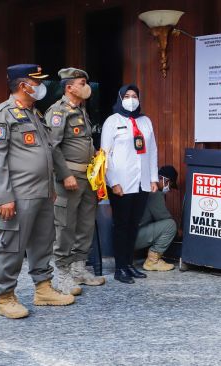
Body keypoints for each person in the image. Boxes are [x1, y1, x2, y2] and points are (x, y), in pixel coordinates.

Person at [0, 64, 75, 319]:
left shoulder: (34, 113)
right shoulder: (2, 115)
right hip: (17, 195)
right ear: (24, 85)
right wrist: (4, 197)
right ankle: (5, 297)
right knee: (11, 246)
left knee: (42, 241)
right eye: (36, 82)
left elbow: (46, 151)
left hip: (42, 193)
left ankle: (43, 288)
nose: (41, 87)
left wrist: (50, 187)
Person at [45, 68, 105, 295]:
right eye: (82, 82)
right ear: (70, 87)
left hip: (88, 176)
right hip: (69, 177)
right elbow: (53, 145)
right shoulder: (59, 112)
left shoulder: (81, 110)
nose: (86, 86)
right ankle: (62, 272)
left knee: (85, 224)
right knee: (65, 225)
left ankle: (79, 268)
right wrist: (65, 174)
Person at [101, 84, 158, 284]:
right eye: (127, 95)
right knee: (121, 225)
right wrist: (113, 182)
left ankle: (129, 264)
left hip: (142, 182)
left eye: (135, 95)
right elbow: (105, 155)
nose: (131, 99)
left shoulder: (145, 121)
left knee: (134, 225)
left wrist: (153, 178)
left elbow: (152, 151)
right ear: (120, 98)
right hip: (121, 184)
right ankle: (119, 268)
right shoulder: (112, 121)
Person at [134, 165, 178, 271]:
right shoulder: (155, 193)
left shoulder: (144, 185)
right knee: (171, 225)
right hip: (134, 238)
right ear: (165, 180)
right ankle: (152, 261)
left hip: (125, 237)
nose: (169, 189)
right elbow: (164, 217)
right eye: (170, 185)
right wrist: (179, 231)